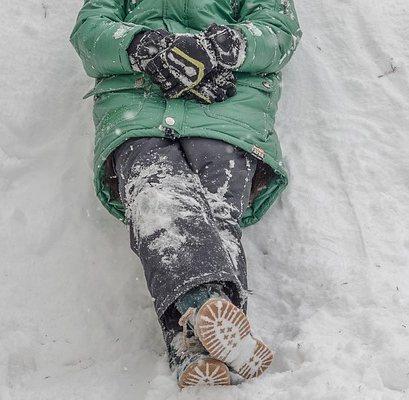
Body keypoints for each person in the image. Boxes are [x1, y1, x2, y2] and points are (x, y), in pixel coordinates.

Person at [69, 0, 301, 388]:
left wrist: (220, 48)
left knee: (214, 214)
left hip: (227, 113)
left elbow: (278, 29)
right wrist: (143, 47)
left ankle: (188, 342)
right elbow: (90, 30)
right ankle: (210, 313)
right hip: (139, 112)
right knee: (156, 198)